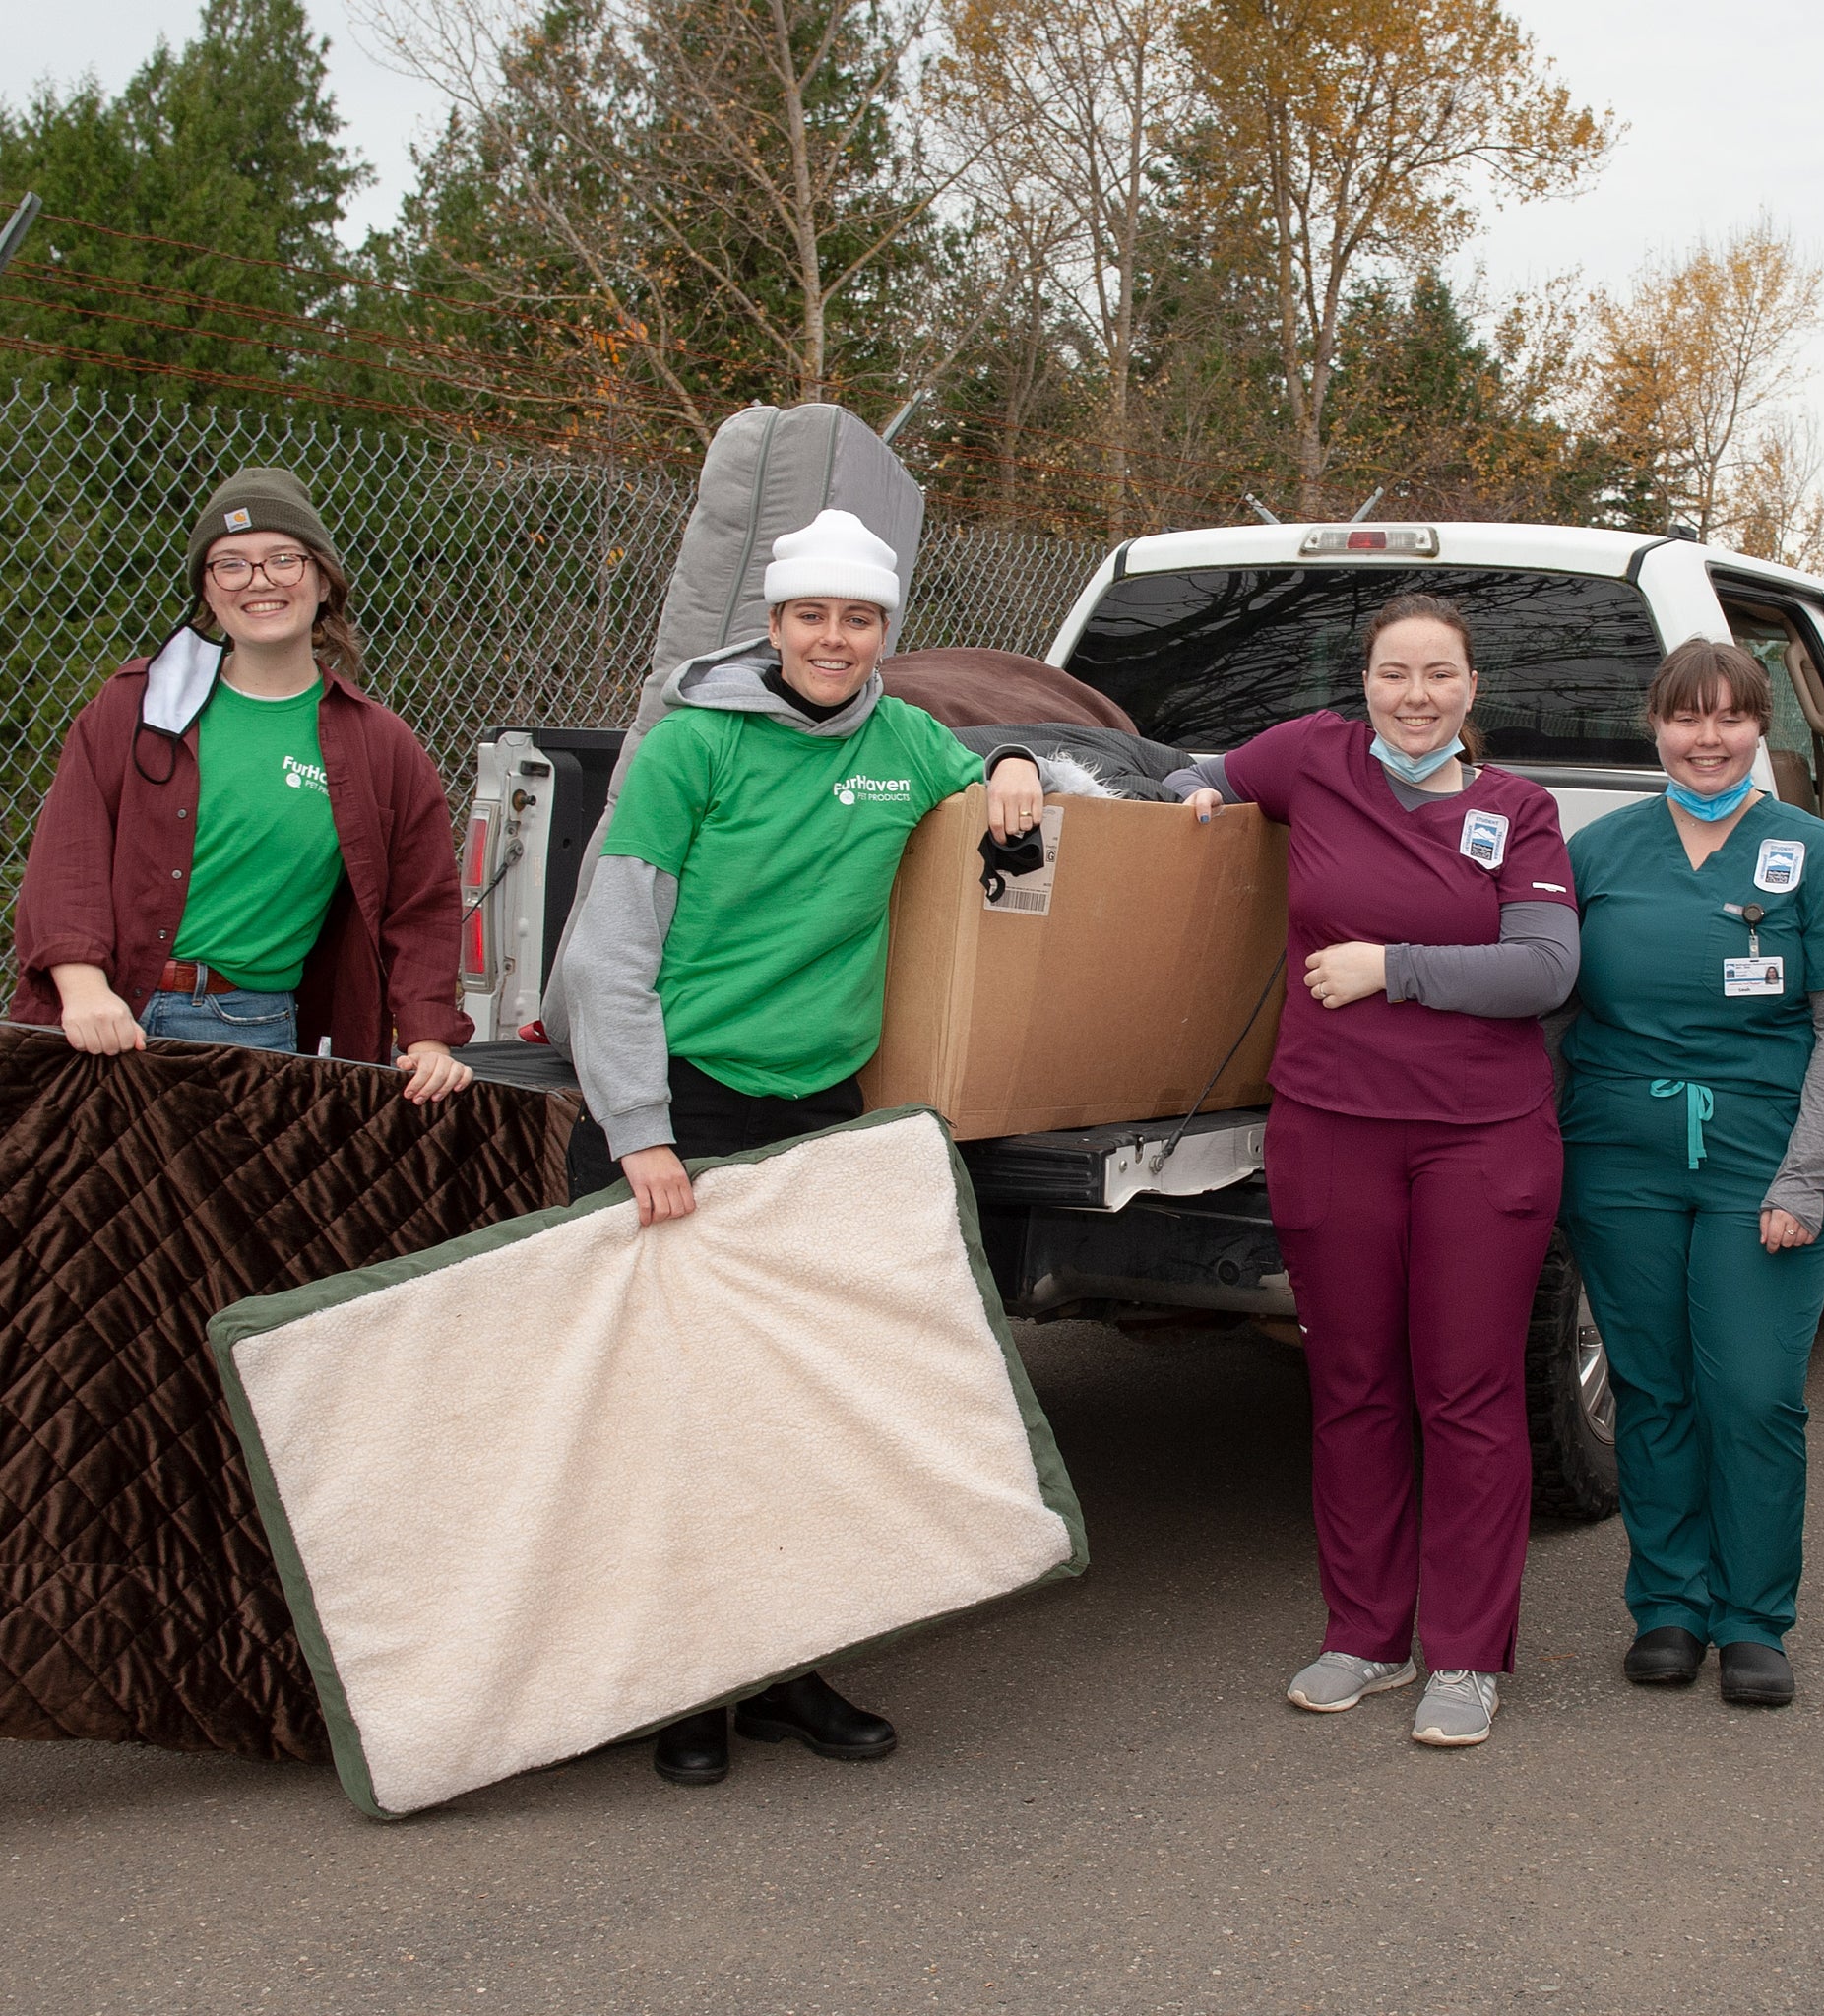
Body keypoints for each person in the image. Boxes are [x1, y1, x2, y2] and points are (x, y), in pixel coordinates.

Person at [552, 507, 1048, 1787]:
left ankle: (790, 1675)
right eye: (813, 616)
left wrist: (1009, 776)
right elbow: (608, 954)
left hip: (821, 1104)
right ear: (773, 625)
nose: (835, 639)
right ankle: (692, 1691)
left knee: (803, 1409)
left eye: (861, 619)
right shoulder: (692, 747)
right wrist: (643, 1135)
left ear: (888, 633)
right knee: (686, 1415)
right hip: (687, 1101)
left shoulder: (906, 741)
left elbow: (1017, 871)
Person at [1174, 592, 1580, 1748]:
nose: (1415, 695)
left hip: (1478, 1136)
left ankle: (1464, 1652)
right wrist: (1188, 790)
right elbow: (1185, 772)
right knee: (1351, 1384)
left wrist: (1391, 966)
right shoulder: (1310, 757)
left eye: (1438, 674)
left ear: (1470, 688)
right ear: (1363, 681)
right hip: (1330, 1124)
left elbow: (1543, 965)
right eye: (1394, 672)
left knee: (1466, 1391)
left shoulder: (1518, 808)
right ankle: (1364, 1633)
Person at [1557, 639, 1824, 1708]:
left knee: (1746, 1390)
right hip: (1619, 1160)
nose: (1707, 738)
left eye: (1729, 717)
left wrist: (1806, 1178)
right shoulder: (1597, 850)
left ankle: (1751, 1617)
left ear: (1760, 729)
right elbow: (1548, 1005)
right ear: (1652, 724)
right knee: (1652, 1389)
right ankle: (1666, 1604)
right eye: (1685, 717)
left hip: (1761, 1161)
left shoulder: (1814, 854)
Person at [11, 467, 474, 1096]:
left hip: (253, 1029)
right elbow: (70, 855)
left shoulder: (380, 746)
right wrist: (84, 990)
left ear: (321, 578)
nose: (259, 582)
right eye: (230, 564)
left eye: (282, 559)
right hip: (106, 1020)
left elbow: (421, 904)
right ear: (207, 588)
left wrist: (426, 1039)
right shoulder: (139, 705)